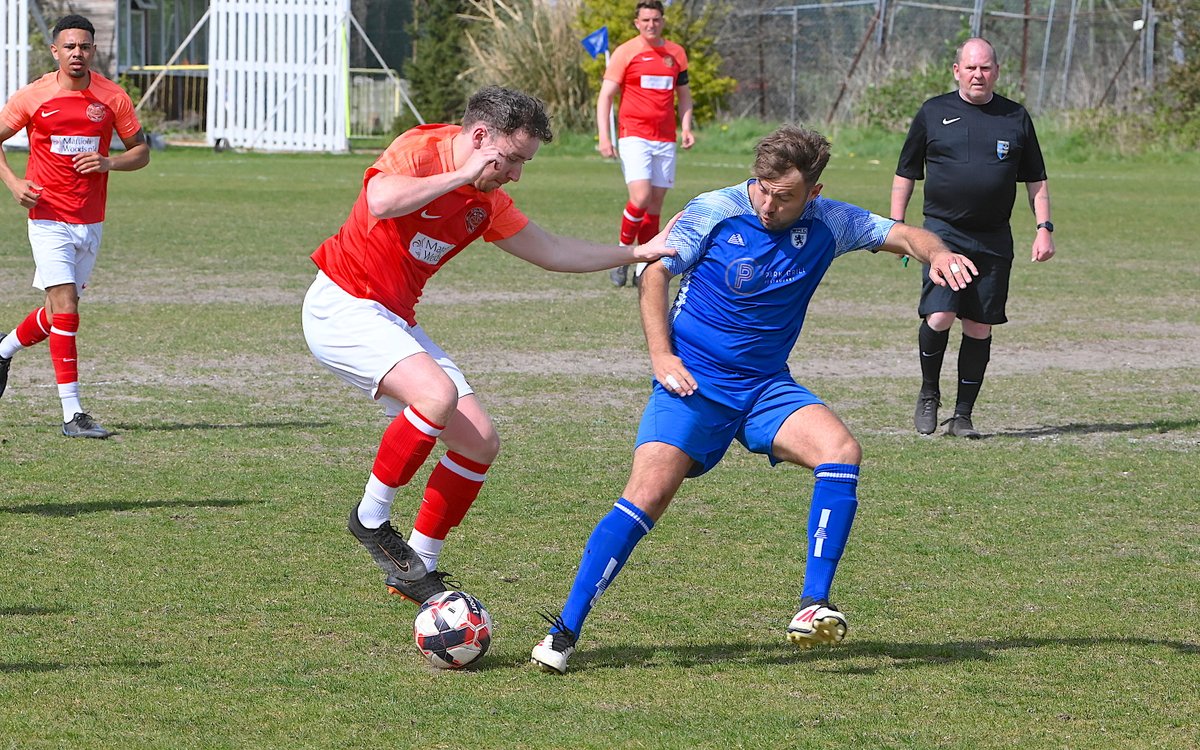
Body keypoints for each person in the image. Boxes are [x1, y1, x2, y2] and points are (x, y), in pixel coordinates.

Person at [530, 124, 977, 674]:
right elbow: (655, 273)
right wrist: (661, 357)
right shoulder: (714, 210)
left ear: (813, 191)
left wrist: (938, 254)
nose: (767, 202)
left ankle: (813, 605)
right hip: (692, 382)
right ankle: (564, 629)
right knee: (646, 495)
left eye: (783, 194)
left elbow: (907, 234)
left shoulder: (830, 221)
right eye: (762, 188)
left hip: (766, 386)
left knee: (841, 451)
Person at [302, 85, 673, 606]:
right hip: (341, 303)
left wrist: (639, 250)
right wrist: (459, 174)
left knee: (479, 442)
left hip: (390, 317)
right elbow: (380, 199)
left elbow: (553, 251)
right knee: (436, 396)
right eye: (513, 159)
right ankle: (371, 517)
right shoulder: (422, 149)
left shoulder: (488, 201)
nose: (516, 174)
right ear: (480, 137)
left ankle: (417, 568)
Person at [891, 37, 1055, 439]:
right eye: (970, 67)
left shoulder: (1015, 117)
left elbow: (1036, 179)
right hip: (942, 233)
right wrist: (895, 227)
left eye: (985, 68)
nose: (978, 75)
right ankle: (929, 393)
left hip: (994, 237)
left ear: (996, 71)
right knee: (941, 314)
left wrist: (1044, 228)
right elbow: (905, 173)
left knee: (979, 326)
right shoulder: (934, 112)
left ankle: (963, 416)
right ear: (956, 70)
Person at [0, 14, 150, 438]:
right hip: (47, 218)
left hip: (91, 220)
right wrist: (13, 183)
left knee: (57, 314)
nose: (77, 53)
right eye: (69, 46)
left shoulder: (112, 97)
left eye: (84, 46)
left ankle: (3, 348)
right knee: (66, 310)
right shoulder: (33, 97)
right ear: (55, 51)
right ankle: (73, 414)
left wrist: (109, 163)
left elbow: (140, 152)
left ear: (93, 50)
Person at [597, 0, 694, 288]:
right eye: (645, 20)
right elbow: (606, 97)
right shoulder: (625, 52)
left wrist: (686, 127)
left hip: (665, 138)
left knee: (655, 204)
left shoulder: (676, 53)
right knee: (639, 198)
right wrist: (605, 137)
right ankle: (622, 255)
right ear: (637, 23)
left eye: (656, 19)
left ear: (663, 21)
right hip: (634, 135)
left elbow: (684, 95)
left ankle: (643, 266)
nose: (651, 24)